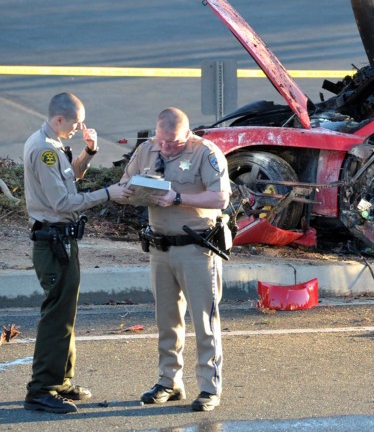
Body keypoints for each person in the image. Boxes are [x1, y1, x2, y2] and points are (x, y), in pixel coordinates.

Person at [22, 92, 132, 414]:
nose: (78, 128)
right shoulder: (44, 149)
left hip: (62, 240)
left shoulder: (52, 143)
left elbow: (71, 179)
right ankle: (41, 389)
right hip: (53, 242)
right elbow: (63, 203)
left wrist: (89, 151)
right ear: (59, 119)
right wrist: (109, 193)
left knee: (65, 314)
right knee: (57, 317)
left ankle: (62, 380)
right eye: (75, 124)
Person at [118, 107, 231, 412]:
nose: (166, 148)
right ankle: (169, 381)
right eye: (162, 141)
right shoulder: (147, 149)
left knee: (204, 322)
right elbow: (125, 183)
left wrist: (178, 198)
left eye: (174, 143)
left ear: (188, 134)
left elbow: (221, 198)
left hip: (195, 248)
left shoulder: (205, 153)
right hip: (160, 248)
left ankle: (209, 387)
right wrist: (130, 191)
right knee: (167, 320)